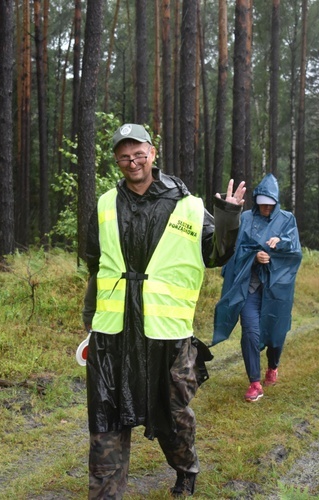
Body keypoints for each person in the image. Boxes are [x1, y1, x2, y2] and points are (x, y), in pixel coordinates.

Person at [82, 123, 246, 498]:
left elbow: (216, 254)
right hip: (113, 332)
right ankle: (106, 493)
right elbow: (96, 264)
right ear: (116, 160)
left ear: (153, 153)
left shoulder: (187, 205)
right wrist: (90, 320)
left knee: (172, 416)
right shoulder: (106, 203)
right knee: (105, 416)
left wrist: (229, 216)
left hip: (165, 334)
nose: (132, 161)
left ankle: (186, 471)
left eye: (138, 153)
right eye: (124, 155)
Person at [211, 174, 302, 403]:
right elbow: (235, 251)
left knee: (276, 332)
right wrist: (254, 256)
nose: (265, 208)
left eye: (269, 204)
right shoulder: (247, 219)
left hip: (276, 290)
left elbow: (295, 252)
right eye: (261, 203)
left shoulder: (286, 220)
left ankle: (273, 365)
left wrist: (279, 246)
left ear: (275, 202)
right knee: (250, 332)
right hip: (249, 287)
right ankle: (254, 383)